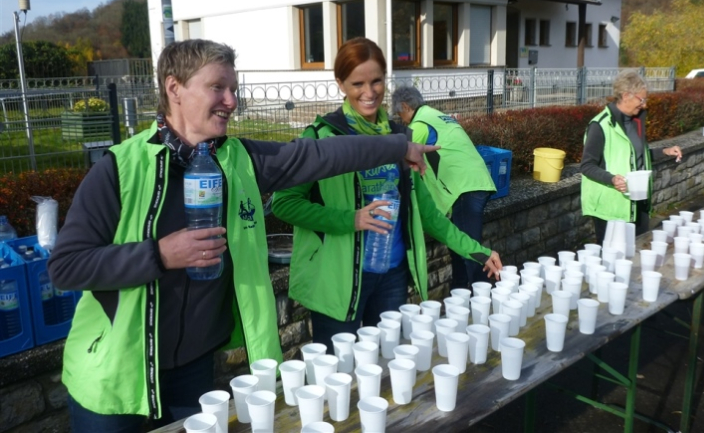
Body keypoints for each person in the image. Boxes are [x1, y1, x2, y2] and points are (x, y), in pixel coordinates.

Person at [47, 39, 438, 432]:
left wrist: (399, 146)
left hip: (193, 369)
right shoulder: (120, 168)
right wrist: (160, 254)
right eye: (217, 87)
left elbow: (319, 156)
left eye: (234, 89)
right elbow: (65, 267)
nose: (232, 101)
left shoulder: (239, 159)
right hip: (115, 375)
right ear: (174, 88)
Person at [271, 37, 502, 351]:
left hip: (391, 279)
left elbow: (428, 215)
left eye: (376, 81)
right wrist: (350, 220)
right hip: (337, 284)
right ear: (340, 83)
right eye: (357, 83)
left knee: (386, 367)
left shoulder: (401, 140)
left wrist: (478, 250)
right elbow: (284, 203)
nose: (369, 92)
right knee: (339, 373)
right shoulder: (321, 137)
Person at [391, 86, 496, 291]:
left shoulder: (420, 125)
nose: (401, 119)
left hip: (464, 188)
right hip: (475, 182)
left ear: (405, 106)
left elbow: (402, 162)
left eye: (399, 114)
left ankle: (482, 295)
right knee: (460, 245)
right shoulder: (437, 116)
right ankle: (459, 290)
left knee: (472, 250)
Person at [580, 70, 683, 244]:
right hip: (612, 208)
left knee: (637, 253)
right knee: (613, 257)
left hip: (639, 203)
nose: (645, 105)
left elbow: (635, 156)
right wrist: (612, 179)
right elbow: (587, 166)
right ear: (626, 95)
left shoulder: (636, 121)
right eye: (641, 100)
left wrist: (664, 151)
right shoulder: (600, 125)